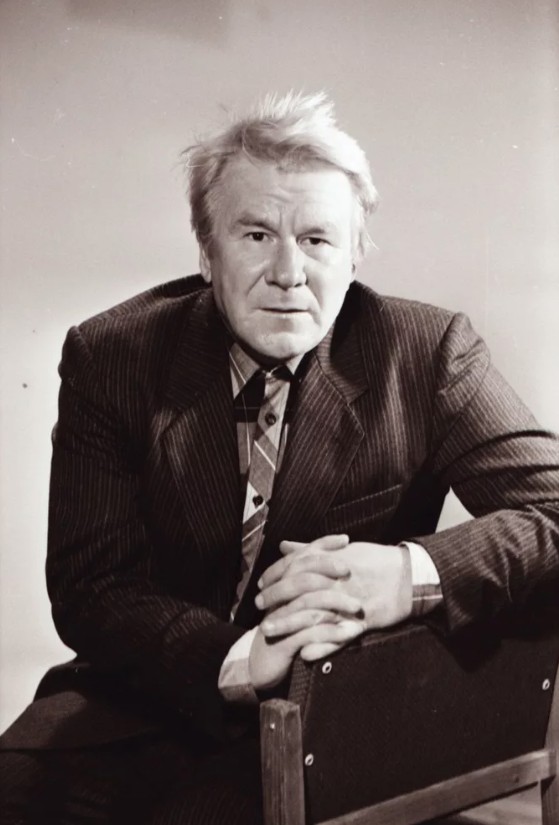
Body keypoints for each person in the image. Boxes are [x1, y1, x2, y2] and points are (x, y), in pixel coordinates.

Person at [1, 91, 558, 824]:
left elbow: (553, 513)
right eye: (257, 234)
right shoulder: (111, 355)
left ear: (355, 254)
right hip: (142, 698)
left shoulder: (427, 354)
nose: (289, 272)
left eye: (318, 239)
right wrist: (236, 656)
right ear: (206, 251)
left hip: (334, 717)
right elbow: (90, 584)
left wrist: (406, 575)